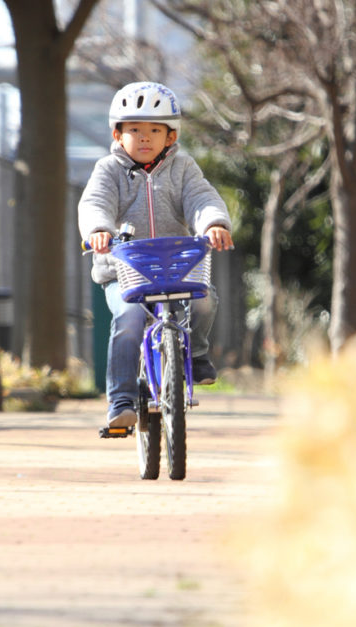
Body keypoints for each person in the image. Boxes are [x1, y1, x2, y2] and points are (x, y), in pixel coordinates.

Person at [79, 81, 234, 428]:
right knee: (130, 319)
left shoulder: (184, 169)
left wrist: (213, 224)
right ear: (118, 135)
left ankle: (195, 352)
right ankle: (120, 400)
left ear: (171, 137)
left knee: (204, 300)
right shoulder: (108, 170)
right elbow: (95, 203)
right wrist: (98, 230)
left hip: (175, 268)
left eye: (154, 130)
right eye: (134, 129)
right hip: (125, 272)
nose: (145, 137)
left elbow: (201, 198)